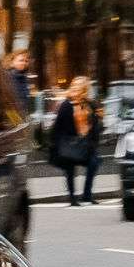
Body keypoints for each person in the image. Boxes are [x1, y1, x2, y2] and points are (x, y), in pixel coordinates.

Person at [49, 75, 102, 206]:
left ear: (84, 89)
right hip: (69, 142)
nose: (76, 87)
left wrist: (93, 139)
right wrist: (55, 144)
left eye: (79, 85)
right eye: (74, 85)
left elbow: (95, 123)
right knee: (70, 169)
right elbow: (57, 125)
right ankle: (72, 198)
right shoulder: (66, 105)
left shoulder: (88, 105)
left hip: (85, 143)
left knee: (94, 163)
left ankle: (87, 195)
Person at [6, 49, 32, 118]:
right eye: (21, 60)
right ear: (12, 62)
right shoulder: (7, 77)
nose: (24, 63)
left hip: (24, 116)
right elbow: (7, 104)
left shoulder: (25, 77)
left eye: (26, 61)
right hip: (14, 119)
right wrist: (17, 121)